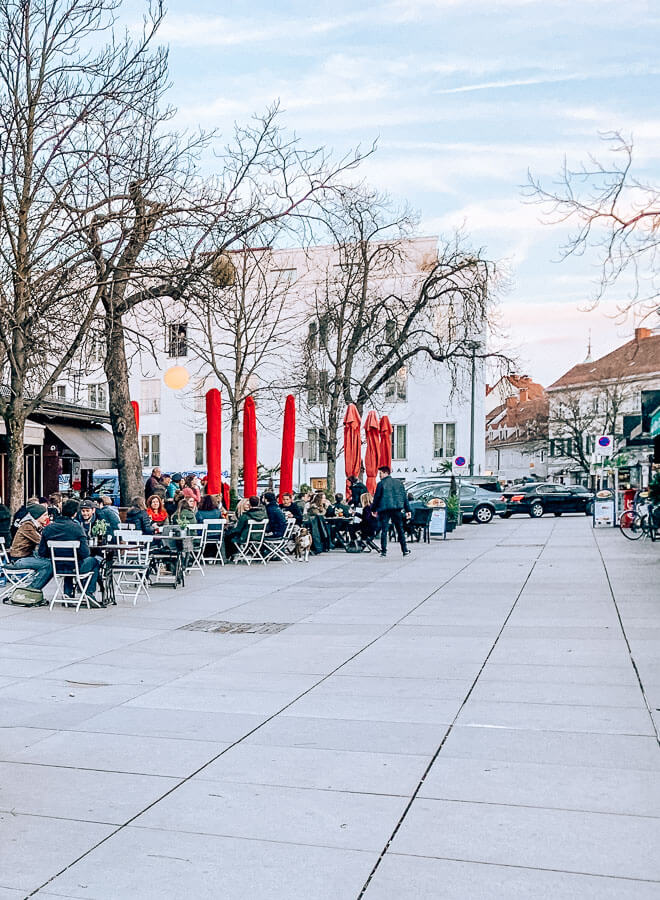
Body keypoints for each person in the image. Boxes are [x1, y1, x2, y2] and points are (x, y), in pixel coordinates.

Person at [38, 499, 101, 600]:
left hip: (56, 566)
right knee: (94, 561)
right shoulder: (77, 528)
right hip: (75, 567)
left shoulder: (48, 528)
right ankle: (89, 592)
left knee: (68, 561)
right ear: (75, 513)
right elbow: (85, 553)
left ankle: (68, 592)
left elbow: (42, 552)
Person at [7, 503, 53, 590]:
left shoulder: (33, 525)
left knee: (48, 561)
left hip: (25, 556)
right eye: (44, 515)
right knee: (49, 565)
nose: (47, 517)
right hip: (18, 559)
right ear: (37, 516)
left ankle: (33, 587)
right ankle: (32, 589)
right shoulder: (27, 526)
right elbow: (41, 541)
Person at [372, 466, 411, 557]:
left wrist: (373, 509)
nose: (379, 476)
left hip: (384, 509)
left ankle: (383, 551)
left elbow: (376, 498)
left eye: (380, 473)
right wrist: (408, 510)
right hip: (397, 509)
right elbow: (404, 497)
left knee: (384, 530)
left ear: (386, 473)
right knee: (400, 529)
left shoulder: (381, 484)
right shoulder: (399, 483)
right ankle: (404, 549)